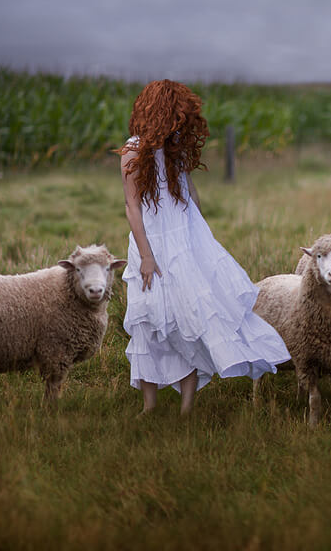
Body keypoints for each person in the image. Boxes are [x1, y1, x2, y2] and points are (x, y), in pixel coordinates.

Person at [119, 79, 290, 415]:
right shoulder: (133, 150)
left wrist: (203, 239)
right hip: (152, 241)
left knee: (189, 316)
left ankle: (186, 407)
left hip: (184, 239)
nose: (179, 125)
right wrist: (147, 256)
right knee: (148, 318)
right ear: (159, 112)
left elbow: (189, 193)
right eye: (175, 117)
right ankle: (149, 406)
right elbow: (132, 206)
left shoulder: (175, 148)